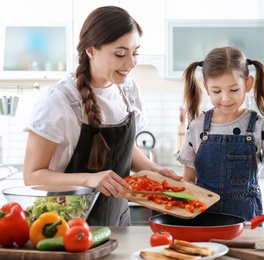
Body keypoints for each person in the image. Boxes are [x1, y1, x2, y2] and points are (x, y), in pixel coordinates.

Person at [23, 6, 181, 226]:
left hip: (117, 221)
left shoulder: (127, 91)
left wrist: (155, 170)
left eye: (135, 52)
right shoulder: (59, 100)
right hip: (65, 225)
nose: (131, 63)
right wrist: (90, 180)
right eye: (120, 54)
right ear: (91, 50)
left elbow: (120, 149)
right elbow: (33, 176)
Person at [175, 46, 264, 225]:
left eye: (233, 90)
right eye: (217, 91)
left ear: (248, 84)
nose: (225, 98)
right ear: (206, 88)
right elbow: (188, 179)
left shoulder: (258, 127)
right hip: (203, 219)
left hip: (246, 220)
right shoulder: (197, 127)